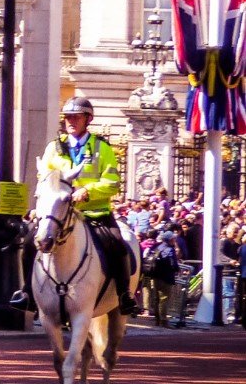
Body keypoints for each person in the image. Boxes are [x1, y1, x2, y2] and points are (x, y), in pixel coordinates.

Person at [18, 97, 139, 315]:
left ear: (87, 119)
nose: (71, 121)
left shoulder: (102, 148)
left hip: (93, 213)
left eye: (76, 117)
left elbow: (112, 183)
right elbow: (44, 178)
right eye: (68, 117)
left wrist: (87, 191)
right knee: (29, 242)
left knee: (118, 245)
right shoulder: (53, 148)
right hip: (58, 214)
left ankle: (124, 295)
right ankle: (27, 293)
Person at [146, 229, 180, 327]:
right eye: (173, 238)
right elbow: (172, 263)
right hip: (166, 277)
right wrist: (176, 269)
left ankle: (157, 320)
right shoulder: (169, 249)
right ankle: (163, 320)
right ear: (170, 240)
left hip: (155, 275)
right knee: (164, 298)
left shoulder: (157, 247)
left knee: (156, 298)